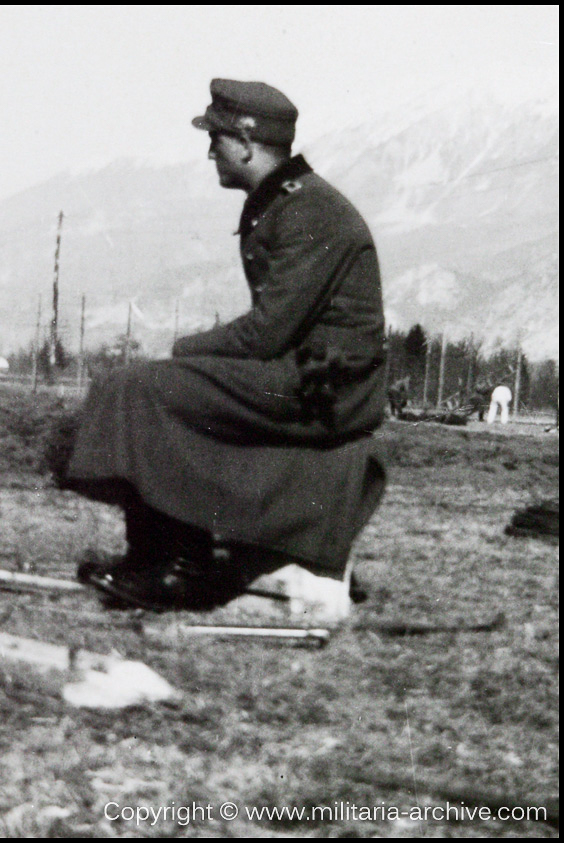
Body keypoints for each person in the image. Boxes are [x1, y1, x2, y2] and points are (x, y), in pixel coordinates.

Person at [62, 79, 388, 616]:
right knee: (142, 386)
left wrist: (185, 348)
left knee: (143, 386)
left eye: (215, 137)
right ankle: (155, 559)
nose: (210, 150)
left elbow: (266, 333)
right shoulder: (289, 203)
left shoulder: (311, 212)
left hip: (324, 386)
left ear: (244, 141)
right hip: (306, 374)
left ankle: (173, 567)